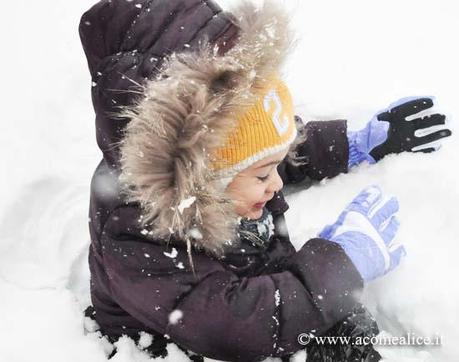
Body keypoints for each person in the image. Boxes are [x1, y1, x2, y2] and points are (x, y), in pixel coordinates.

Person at [79, 0, 451, 361]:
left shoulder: (219, 168)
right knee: (321, 304)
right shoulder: (133, 230)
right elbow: (231, 327)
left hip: (250, 289)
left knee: (337, 318)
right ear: (201, 174)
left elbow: (259, 154)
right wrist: (341, 265)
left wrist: (352, 145)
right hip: (176, 341)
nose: (275, 184)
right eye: (262, 174)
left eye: (274, 166)